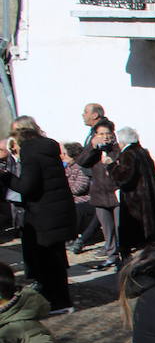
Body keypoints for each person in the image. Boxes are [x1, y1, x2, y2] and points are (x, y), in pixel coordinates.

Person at [0, 118, 77, 313]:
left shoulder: (31, 150)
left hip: (45, 213)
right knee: (51, 259)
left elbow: (27, 186)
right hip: (53, 211)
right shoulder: (46, 146)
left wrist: (6, 176)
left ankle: (59, 302)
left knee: (50, 261)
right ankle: (56, 299)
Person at [109, 126, 155, 260]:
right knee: (150, 236)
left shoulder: (128, 154)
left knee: (137, 234)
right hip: (148, 199)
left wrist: (111, 166)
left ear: (122, 141)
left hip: (136, 201)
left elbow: (124, 178)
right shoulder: (142, 151)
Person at [73, 119, 120, 269]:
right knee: (107, 230)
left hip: (116, 194)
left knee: (120, 228)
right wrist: (93, 147)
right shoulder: (94, 151)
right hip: (99, 195)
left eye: (108, 133)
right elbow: (81, 162)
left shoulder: (118, 148)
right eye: (101, 133)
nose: (105, 137)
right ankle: (112, 256)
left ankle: (124, 256)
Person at [60, 142, 93, 252]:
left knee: (74, 209)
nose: (62, 156)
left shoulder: (81, 168)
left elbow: (79, 188)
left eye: (65, 154)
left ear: (72, 155)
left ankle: (71, 237)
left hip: (83, 200)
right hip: (69, 198)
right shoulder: (67, 167)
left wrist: (63, 188)